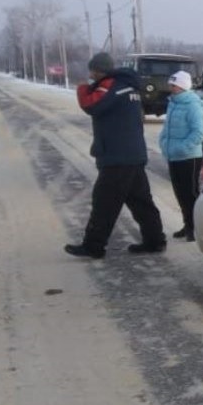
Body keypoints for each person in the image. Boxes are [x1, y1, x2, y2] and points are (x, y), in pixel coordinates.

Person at [64, 52, 166, 259]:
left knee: (104, 202)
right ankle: (155, 241)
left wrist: (83, 87)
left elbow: (91, 105)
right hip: (133, 154)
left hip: (118, 156)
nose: (90, 74)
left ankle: (93, 246)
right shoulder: (129, 86)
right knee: (141, 202)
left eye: (92, 70)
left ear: (98, 69)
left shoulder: (111, 85)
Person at [158, 70, 203, 241]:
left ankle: (196, 228)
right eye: (171, 85)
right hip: (173, 156)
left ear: (183, 86)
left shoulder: (193, 105)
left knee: (190, 193)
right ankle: (187, 224)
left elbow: (199, 133)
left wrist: (181, 148)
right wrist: (163, 142)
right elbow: (166, 129)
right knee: (180, 193)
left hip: (189, 157)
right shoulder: (173, 103)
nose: (171, 88)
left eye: (174, 85)